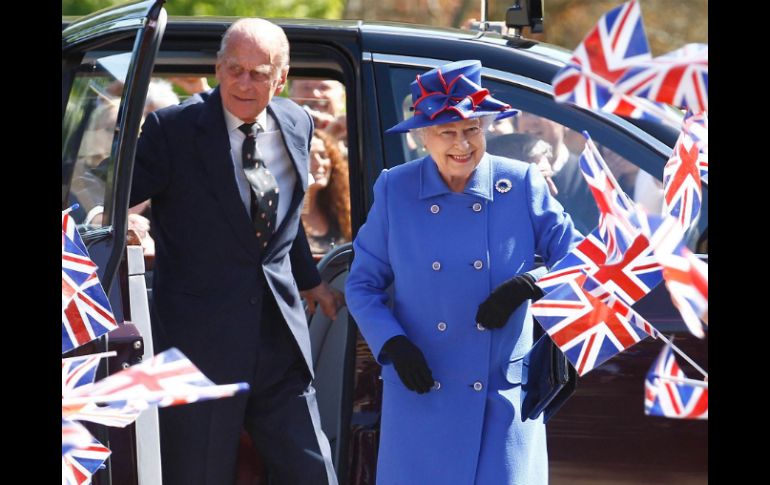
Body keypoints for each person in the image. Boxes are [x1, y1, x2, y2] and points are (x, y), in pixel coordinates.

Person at [345, 60, 583, 485]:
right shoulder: (395, 188)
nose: (462, 144)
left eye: (471, 129)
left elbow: (583, 259)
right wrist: (393, 343)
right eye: (447, 132)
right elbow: (363, 285)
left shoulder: (521, 183)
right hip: (421, 391)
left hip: (501, 397)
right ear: (422, 137)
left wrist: (530, 284)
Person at [130, 18, 343, 485]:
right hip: (200, 348)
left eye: (259, 73)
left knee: (314, 472)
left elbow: (282, 227)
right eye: (234, 69)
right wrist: (117, 220)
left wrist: (312, 282)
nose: (244, 83)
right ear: (218, 68)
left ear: (281, 78)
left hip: (279, 342)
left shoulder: (296, 120)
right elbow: (113, 193)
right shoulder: (174, 129)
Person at [517, 112, 598, 234]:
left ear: (565, 123)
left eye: (540, 112)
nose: (531, 121)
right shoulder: (505, 172)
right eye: (526, 113)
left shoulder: (589, 177)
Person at [301, 129, 352, 258]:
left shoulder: (341, 210)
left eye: (323, 156)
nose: (318, 164)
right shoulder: (284, 215)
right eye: (309, 156)